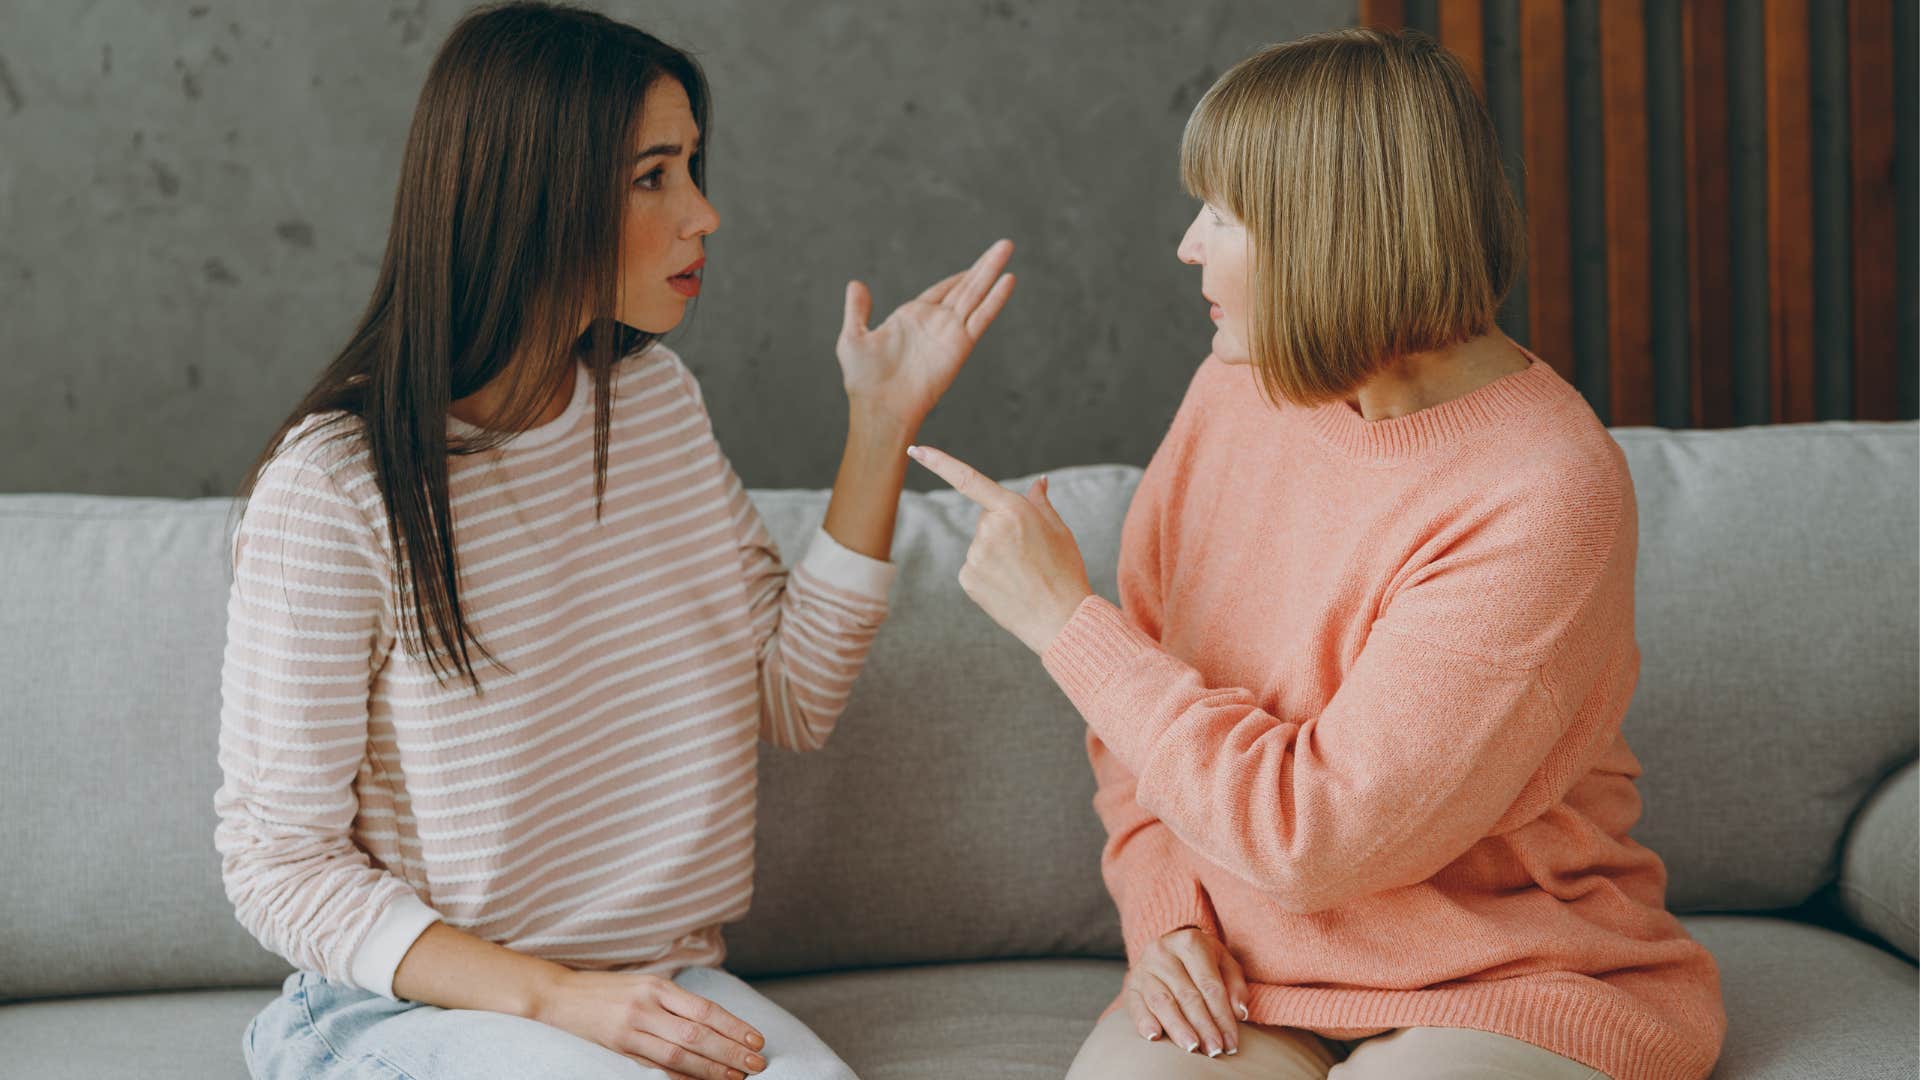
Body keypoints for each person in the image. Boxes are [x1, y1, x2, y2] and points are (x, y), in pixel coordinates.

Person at [909, 27, 1725, 1080]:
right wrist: (1165, 911)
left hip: (1514, 979)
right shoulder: (1235, 392)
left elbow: (1318, 840)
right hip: (1243, 972)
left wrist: (1067, 625)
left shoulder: (1545, 489)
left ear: (1328, 230)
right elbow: (1140, 715)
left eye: (1222, 215)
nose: (1188, 248)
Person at [214, 5, 1014, 1078]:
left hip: (659, 987)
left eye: (691, 167)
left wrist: (880, 427)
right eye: (654, 177)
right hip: (401, 1012)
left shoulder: (651, 404)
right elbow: (278, 866)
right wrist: (561, 1001)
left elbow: (793, 696)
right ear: (531, 196)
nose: (705, 214)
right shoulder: (337, 485)